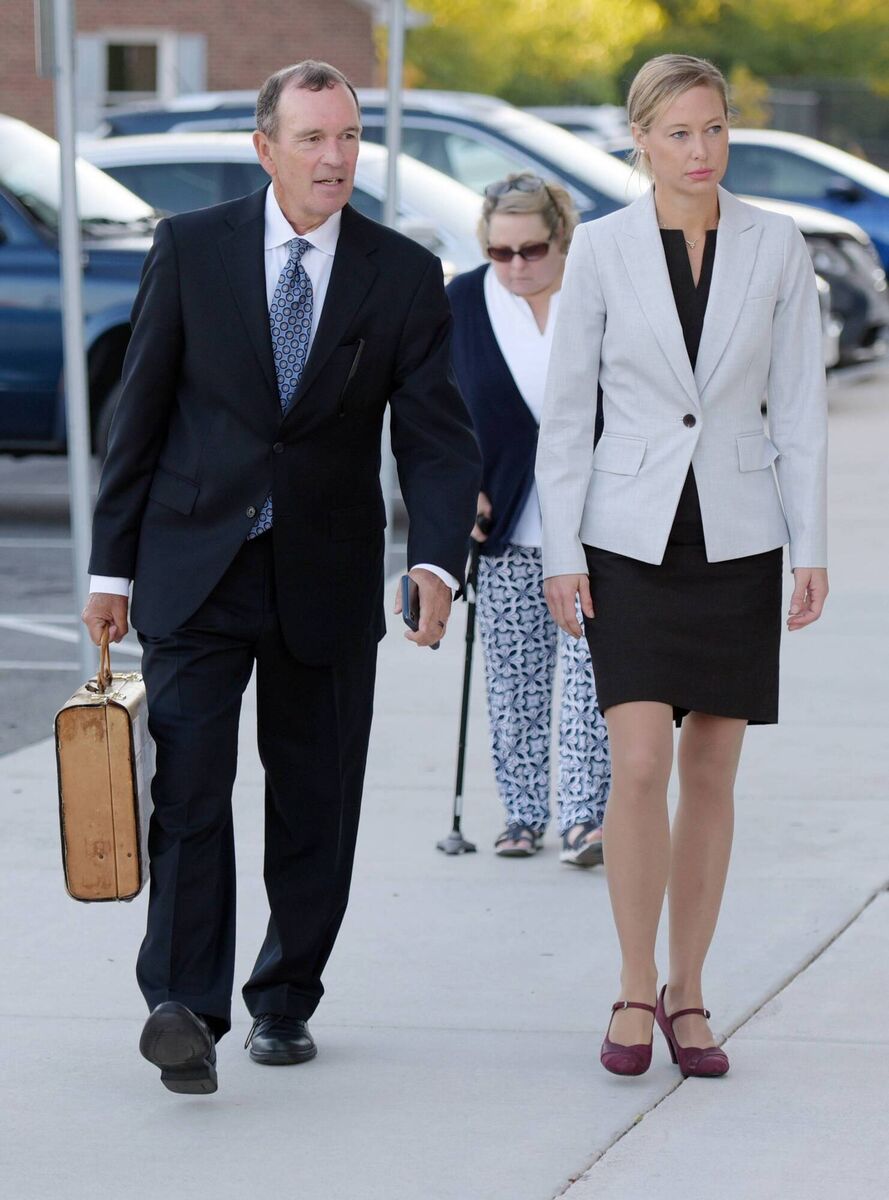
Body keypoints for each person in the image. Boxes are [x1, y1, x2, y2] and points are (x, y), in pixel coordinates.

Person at [81, 60, 480, 1094]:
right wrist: (109, 566)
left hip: (327, 577)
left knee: (315, 803)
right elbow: (139, 416)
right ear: (265, 150)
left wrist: (435, 558)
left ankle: (284, 999)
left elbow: (435, 438)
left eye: (347, 138)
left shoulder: (399, 274)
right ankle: (182, 1005)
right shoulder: (191, 248)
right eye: (311, 139)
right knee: (191, 789)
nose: (334, 158)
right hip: (195, 565)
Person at [536, 54, 828, 1078]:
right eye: (679, 134)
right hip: (628, 538)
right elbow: (568, 413)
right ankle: (629, 984)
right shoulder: (606, 253)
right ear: (640, 142)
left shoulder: (777, 245)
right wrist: (560, 551)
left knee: (709, 771)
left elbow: (796, 405)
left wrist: (811, 545)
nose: (700, 150)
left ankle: (689, 993)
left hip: (739, 539)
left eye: (713, 130)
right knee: (641, 763)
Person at [447, 173, 610, 865]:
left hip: (595, 526)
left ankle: (585, 818)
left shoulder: (599, 295)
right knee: (514, 680)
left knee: (589, 677)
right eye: (500, 252)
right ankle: (521, 815)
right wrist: (461, 491)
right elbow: (434, 413)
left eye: (531, 249)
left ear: (561, 238)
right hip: (507, 526)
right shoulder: (459, 304)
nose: (515, 266)